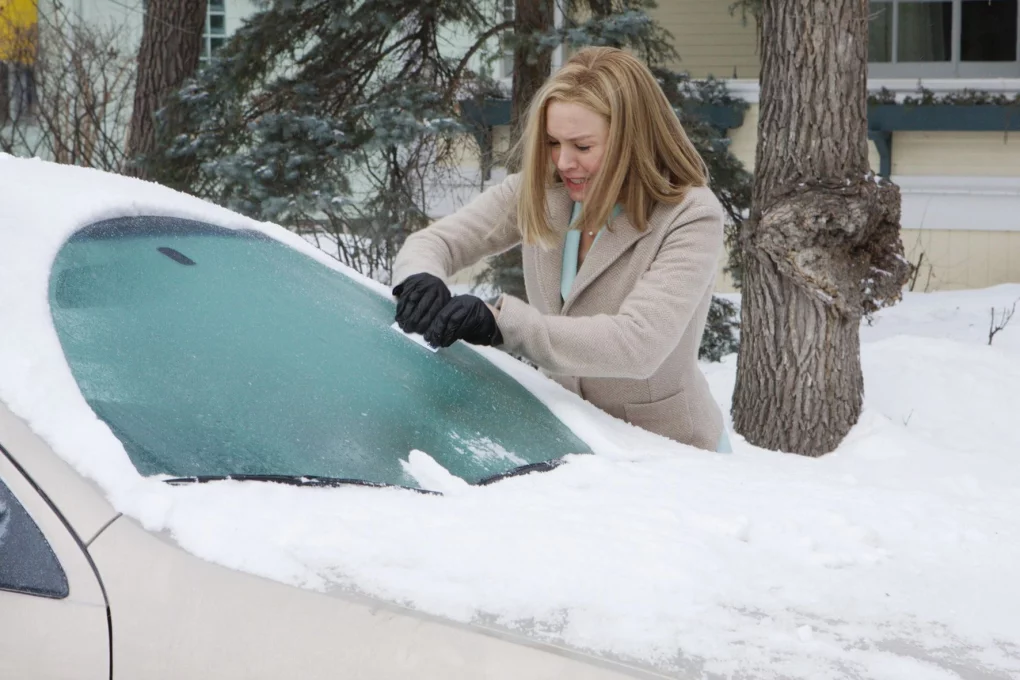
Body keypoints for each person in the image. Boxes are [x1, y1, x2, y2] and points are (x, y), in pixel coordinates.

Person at [391, 46, 732, 453]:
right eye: (553, 142)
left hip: (667, 452)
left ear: (632, 140)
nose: (563, 161)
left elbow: (638, 345)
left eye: (582, 147)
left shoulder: (689, 215)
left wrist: (502, 324)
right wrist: (420, 277)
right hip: (567, 444)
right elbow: (436, 242)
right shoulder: (539, 190)